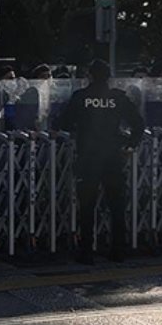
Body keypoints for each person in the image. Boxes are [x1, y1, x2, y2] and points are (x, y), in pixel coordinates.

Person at [56, 59, 145, 264]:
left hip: (88, 157)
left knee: (87, 206)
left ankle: (86, 252)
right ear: (109, 77)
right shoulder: (118, 97)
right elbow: (138, 123)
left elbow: (65, 122)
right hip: (113, 156)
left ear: (90, 75)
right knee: (117, 205)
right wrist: (129, 145)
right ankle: (118, 250)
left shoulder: (81, 97)